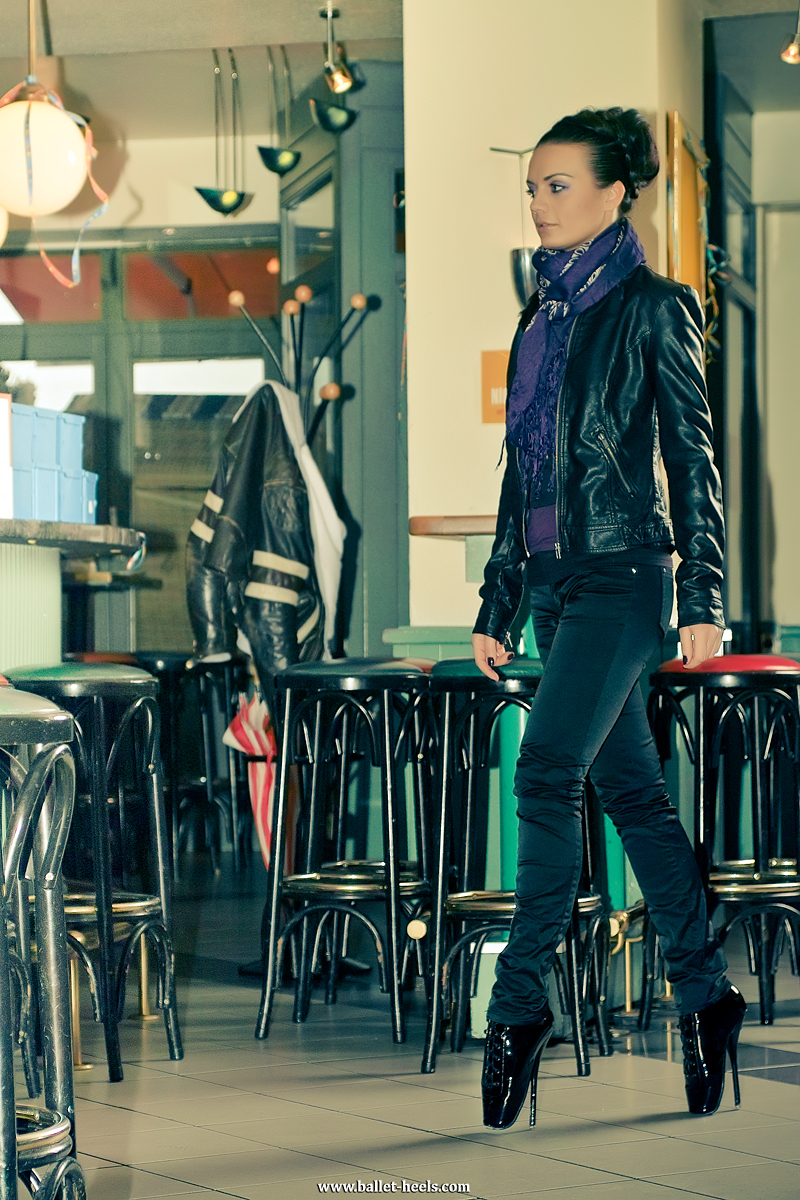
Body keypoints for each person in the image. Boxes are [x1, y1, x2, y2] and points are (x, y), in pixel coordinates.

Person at [472, 107, 745, 1131]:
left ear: (613, 191)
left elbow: (693, 460)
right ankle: (707, 995)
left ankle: (516, 1010)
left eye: (556, 185)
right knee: (632, 794)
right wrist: (498, 598)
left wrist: (703, 596)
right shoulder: (538, 318)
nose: (538, 204)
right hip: (553, 588)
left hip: (624, 580)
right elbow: (520, 475)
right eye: (532, 187)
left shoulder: (653, 307)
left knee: (545, 772)